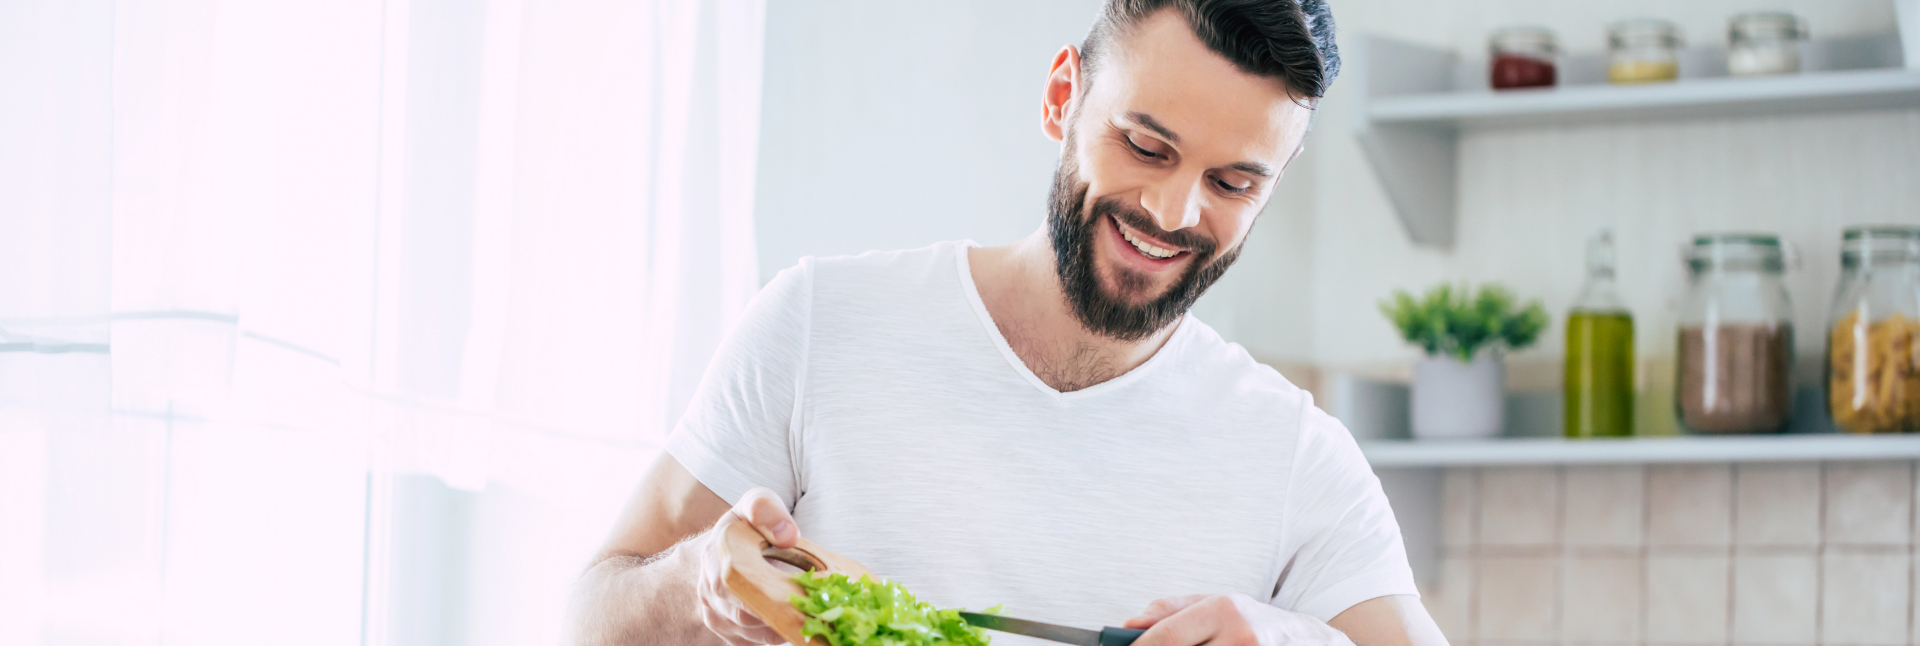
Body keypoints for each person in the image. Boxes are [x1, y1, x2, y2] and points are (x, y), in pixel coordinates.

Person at [569, 2, 1450, 645]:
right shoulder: (818, 326)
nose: (1173, 212)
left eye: (1233, 183)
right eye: (1146, 146)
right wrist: (695, 583)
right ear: (1063, 96)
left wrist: (1300, 641)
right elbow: (592, 615)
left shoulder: (1294, 455)